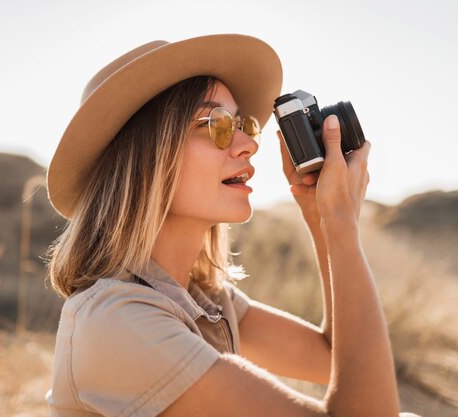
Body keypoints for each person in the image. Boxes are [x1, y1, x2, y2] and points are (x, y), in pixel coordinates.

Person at [43, 34, 420, 417]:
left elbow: (335, 357)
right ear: (146, 158)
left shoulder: (205, 303)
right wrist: (342, 226)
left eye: (245, 125)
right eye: (218, 124)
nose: (248, 144)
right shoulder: (116, 319)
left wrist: (322, 222)